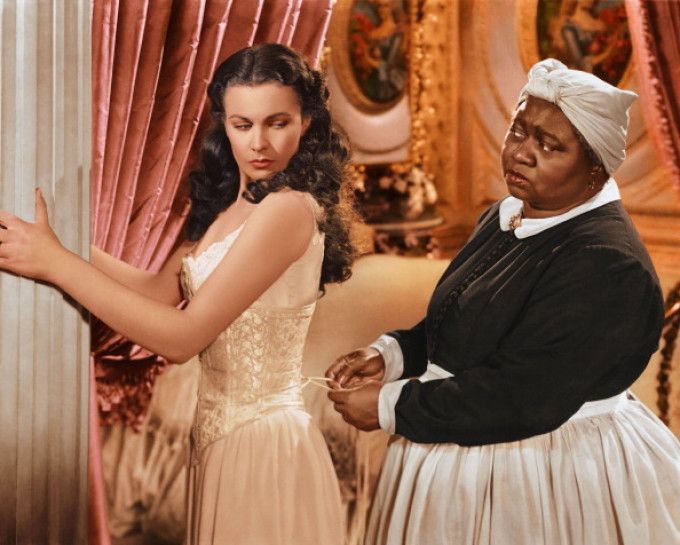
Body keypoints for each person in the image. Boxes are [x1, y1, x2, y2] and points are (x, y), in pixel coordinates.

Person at [0, 43, 355, 545]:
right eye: (242, 124)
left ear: (306, 123)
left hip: (264, 445)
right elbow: (155, 292)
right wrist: (67, 244)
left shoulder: (288, 209)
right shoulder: (229, 206)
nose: (259, 143)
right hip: (218, 438)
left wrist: (55, 263)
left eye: (277, 123)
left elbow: (182, 338)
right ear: (224, 125)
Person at [326, 58, 680, 545]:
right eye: (519, 131)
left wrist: (392, 405)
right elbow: (468, 324)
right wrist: (392, 354)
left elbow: (522, 394)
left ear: (595, 167)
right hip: (460, 437)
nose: (521, 153)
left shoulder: (605, 263)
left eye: (549, 145)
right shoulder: (509, 215)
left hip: (543, 472)